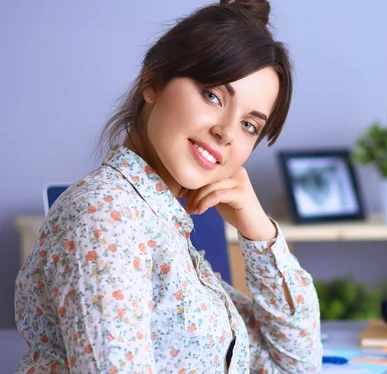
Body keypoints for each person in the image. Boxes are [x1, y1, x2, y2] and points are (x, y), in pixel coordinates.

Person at [14, 1, 323, 372]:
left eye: (249, 125)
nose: (225, 132)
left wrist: (258, 230)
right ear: (153, 81)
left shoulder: (161, 225)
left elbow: (297, 363)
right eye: (213, 95)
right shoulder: (107, 220)